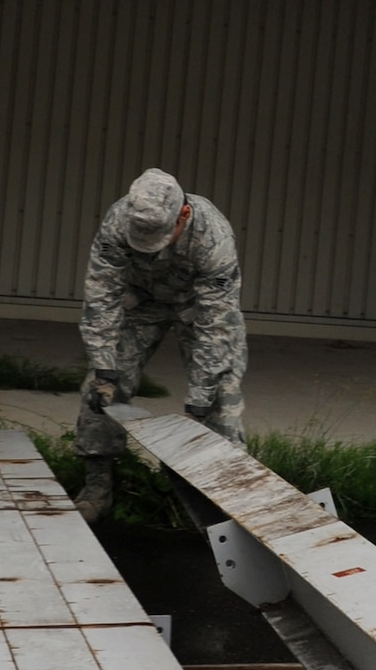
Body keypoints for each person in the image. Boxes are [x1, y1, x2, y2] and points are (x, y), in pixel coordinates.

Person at [74, 168, 247, 522]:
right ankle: (97, 489)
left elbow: (216, 326)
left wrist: (199, 399)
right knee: (101, 387)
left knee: (220, 397)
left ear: (183, 214)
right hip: (142, 301)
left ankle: (228, 507)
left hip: (199, 309)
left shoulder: (214, 239)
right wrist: (104, 363)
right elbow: (101, 294)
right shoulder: (120, 220)